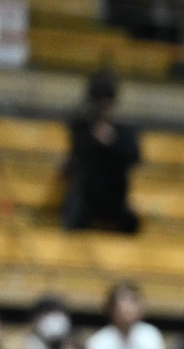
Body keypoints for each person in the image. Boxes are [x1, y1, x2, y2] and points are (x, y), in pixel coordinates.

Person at [61, 72, 142, 232]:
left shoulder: (122, 131)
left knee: (131, 223)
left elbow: (133, 158)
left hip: (113, 198)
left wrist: (112, 142)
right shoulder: (82, 128)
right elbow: (79, 151)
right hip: (86, 198)